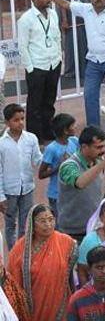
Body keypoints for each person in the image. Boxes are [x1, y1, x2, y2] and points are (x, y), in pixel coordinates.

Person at [7, 204, 78, 321]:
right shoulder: (20, 249)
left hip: (59, 305)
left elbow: (70, 275)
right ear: (32, 224)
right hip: (32, 306)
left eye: (51, 219)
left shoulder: (66, 242)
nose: (48, 225)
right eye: (42, 221)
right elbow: (13, 281)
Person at [58, 127, 105, 243]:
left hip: (95, 227)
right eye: (98, 147)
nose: (103, 150)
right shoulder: (69, 166)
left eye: (104, 146)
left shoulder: (99, 160)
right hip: (73, 231)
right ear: (84, 147)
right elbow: (80, 183)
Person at [17, 0, 62, 143]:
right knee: (35, 104)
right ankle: (35, 137)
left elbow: (57, 36)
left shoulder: (53, 14)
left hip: (53, 63)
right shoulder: (26, 19)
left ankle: (48, 132)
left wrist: (59, 57)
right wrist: (30, 68)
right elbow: (22, 46)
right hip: (37, 66)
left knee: (49, 101)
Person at [0, 104, 41, 249]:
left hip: (27, 188)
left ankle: (23, 252)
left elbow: (37, 160)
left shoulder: (31, 139)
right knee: (10, 224)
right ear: (7, 122)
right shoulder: (1, 144)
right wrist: (1, 197)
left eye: (22, 119)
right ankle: (12, 252)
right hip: (9, 191)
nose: (21, 123)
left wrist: (49, 161)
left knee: (26, 223)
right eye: (16, 120)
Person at [57, 0, 91, 79]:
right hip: (71, 14)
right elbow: (63, 1)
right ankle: (72, 70)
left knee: (86, 38)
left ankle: (87, 67)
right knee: (72, 41)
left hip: (85, 11)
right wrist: (64, 19)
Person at [39, 114, 78, 219]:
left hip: (72, 191)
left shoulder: (74, 141)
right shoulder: (51, 149)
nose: (75, 127)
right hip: (56, 194)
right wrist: (59, 166)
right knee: (59, 223)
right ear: (65, 130)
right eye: (73, 125)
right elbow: (41, 174)